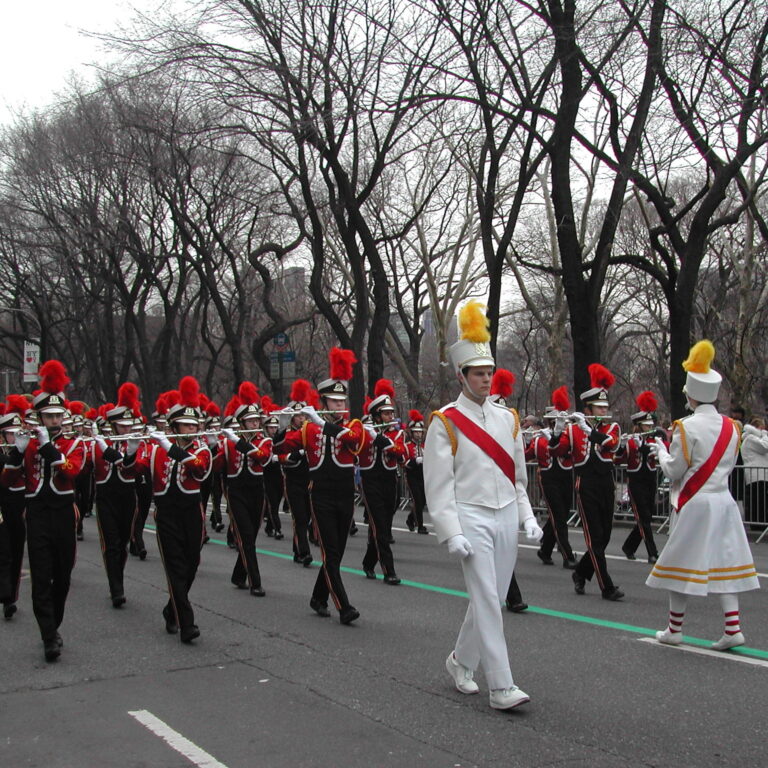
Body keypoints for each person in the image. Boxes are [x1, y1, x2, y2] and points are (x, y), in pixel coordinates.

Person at [424, 300, 542, 711]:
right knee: (491, 600)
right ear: (462, 375)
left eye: (489, 372)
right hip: (470, 515)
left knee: (488, 595)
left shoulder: (507, 419)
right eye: (478, 373)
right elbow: (437, 486)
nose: (486, 379)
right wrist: (451, 531)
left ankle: (460, 661)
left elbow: (518, 477)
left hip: (507, 514)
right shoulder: (445, 421)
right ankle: (502, 686)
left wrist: (527, 516)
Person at [648, 341, 759, 650]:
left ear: (691, 394)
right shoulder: (733, 427)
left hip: (695, 503)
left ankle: (674, 628)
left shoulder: (685, 427)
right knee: (726, 562)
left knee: (679, 563)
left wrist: (659, 452)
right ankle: (732, 626)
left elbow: (674, 471)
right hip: (724, 501)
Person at [0, 360, 86, 661]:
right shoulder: (29, 444)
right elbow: (8, 480)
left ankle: (54, 624)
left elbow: (69, 472)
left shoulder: (75, 443)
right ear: (38, 416)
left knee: (62, 576)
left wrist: (48, 445)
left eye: (57, 415)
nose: (53, 420)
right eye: (47, 416)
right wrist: (17, 452)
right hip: (36, 512)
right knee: (40, 575)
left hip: (63, 512)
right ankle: (48, 635)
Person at [280, 348, 365, 625]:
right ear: (323, 402)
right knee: (329, 551)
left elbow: (354, 443)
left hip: (344, 495)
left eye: (342, 401)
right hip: (320, 497)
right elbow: (279, 448)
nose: (340, 406)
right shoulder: (308, 429)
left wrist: (325, 425)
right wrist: (281, 427)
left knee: (336, 553)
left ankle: (318, 597)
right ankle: (344, 607)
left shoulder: (353, 425)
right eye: (334, 401)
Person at [126, 377, 212, 643]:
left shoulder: (202, 449)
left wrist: (170, 447)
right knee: (174, 567)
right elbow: (131, 472)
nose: (191, 428)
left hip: (191, 511)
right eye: (186, 424)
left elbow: (199, 469)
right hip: (166, 513)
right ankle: (187, 624)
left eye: (194, 424)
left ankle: (170, 609)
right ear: (174, 425)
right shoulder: (153, 450)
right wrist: (130, 451)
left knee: (192, 564)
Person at [550, 364, 624, 600]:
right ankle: (606, 587)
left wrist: (589, 430)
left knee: (604, 537)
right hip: (586, 485)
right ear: (588, 408)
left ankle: (581, 573)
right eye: (598, 407)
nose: (602, 411)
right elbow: (556, 451)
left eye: (605, 407)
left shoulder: (612, 427)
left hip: (606, 484)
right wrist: (557, 430)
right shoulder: (573, 430)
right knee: (593, 538)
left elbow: (612, 445)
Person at [216, 382, 272, 597]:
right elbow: (216, 466)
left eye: (256, 420)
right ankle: (255, 581)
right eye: (250, 420)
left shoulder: (264, 440)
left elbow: (262, 457)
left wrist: (238, 442)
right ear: (240, 423)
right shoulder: (227, 443)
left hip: (257, 491)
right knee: (246, 537)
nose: (254, 423)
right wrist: (212, 446)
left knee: (251, 537)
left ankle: (238, 575)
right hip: (236, 491)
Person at [91, 384, 144, 608]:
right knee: (111, 543)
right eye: (122, 426)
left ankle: (117, 577)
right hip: (105, 497)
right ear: (112, 426)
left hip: (127, 496)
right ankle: (116, 588)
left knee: (122, 541)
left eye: (129, 425)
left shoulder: (136, 444)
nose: (126, 430)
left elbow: (136, 467)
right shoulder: (97, 445)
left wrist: (129, 451)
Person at [360, 379, 407, 584]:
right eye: (387, 413)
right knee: (379, 525)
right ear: (376, 415)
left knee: (384, 525)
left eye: (391, 413)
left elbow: (399, 452)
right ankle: (389, 571)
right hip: (370, 480)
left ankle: (368, 562)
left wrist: (379, 438)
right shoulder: (364, 430)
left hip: (389, 480)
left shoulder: (397, 433)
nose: (391, 417)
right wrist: (367, 432)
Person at [529, 387, 577, 569]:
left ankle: (545, 549)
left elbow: (569, 453)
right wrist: (524, 441)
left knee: (560, 516)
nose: (561, 422)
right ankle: (568, 555)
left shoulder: (568, 436)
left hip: (565, 477)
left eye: (562, 419)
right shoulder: (539, 438)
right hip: (548, 479)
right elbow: (526, 455)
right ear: (550, 420)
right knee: (558, 517)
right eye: (557, 419)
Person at [618, 391, 666, 564]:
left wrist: (646, 446)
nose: (649, 427)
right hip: (636, 483)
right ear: (638, 425)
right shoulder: (631, 441)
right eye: (646, 425)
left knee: (646, 517)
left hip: (650, 481)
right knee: (643, 517)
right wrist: (621, 447)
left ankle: (629, 547)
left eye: (650, 424)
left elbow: (662, 453)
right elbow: (617, 460)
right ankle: (652, 553)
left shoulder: (654, 440)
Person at [274, 380, 315, 567]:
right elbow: (279, 451)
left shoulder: (311, 432)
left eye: (303, 415)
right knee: (299, 517)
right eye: (298, 416)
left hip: (310, 480)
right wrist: (294, 454)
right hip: (293, 480)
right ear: (292, 418)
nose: (301, 419)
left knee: (307, 517)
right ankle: (304, 552)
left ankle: (297, 548)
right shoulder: (289, 434)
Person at [0, 398, 28, 619]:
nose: (15, 436)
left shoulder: (26, 452)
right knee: (4, 553)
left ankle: (11, 597)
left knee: (17, 552)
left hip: (21, 505)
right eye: (11, 433)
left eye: (18, 432)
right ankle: (6, 594)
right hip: (1, 508)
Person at [404, 410, 428, 534]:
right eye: (416, 432)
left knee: (423, 501)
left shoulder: (425, 446)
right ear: (412, 433)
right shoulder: (407, 446)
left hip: (423, 476)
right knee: (417, 500)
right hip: (412, 476)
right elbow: (404, 463)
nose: (418, 434)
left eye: (420, 432)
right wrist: (415, 461)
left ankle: (410, 519)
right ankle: (420, 526)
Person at [740, 417, 768, 525]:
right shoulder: (750, 438)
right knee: (757, 501)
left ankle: (759, 522)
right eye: (762, 427)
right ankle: (757, 524)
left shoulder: (752, 439)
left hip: (760, 475)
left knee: (760, 501)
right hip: (757, 475)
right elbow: (765, 446)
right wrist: (765, 434)